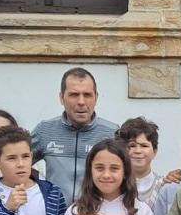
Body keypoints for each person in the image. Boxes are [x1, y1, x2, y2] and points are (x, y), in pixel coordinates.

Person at [30, 67, 118, 203]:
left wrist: (161, 181)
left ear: (96, 97)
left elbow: (130, 173)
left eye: (87, 95)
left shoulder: (111, 133)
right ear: (61, 97)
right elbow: (19, 163)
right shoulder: (45, 130)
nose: (81, 102)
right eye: (74, 95)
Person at [117, 116, 175, 212]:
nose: (138, 151)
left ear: (155, 151)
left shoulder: (165, 186)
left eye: (144, 146)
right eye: (132, 145)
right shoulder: (115, 185)